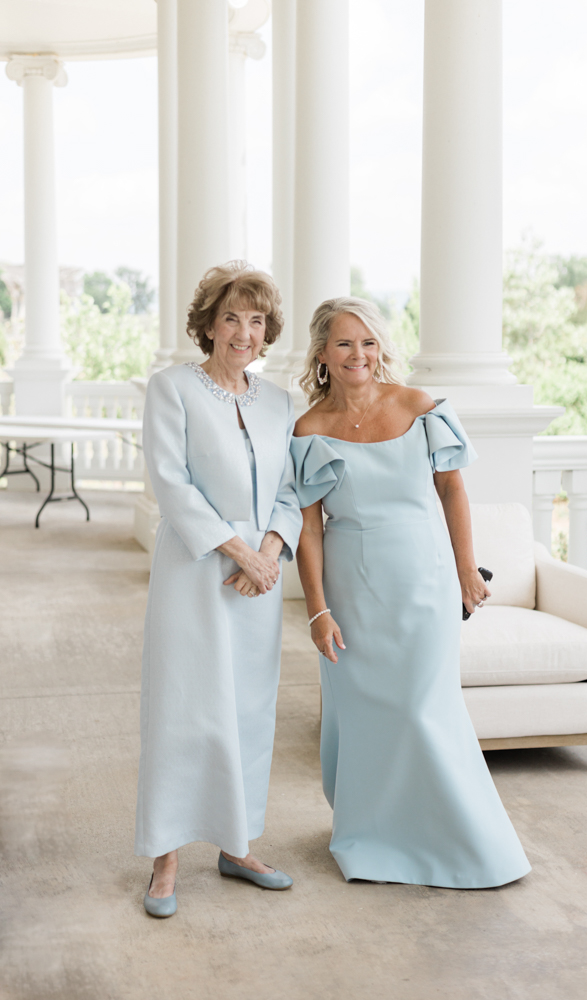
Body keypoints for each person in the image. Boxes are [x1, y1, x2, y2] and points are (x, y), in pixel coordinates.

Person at [290, 297, 531, 888]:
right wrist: (319, 610)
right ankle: (374, 837)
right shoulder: (310, 428)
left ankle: (465, 841)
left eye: (369, 342)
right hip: (351, 592)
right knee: (366, 716)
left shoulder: (419, 406)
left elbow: (452, 491)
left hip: (422, 583)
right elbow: (310, 530)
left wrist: (466, 570)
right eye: (345, 343)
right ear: (322, 353)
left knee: (426, 710)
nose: (359, 355)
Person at [135, 262, 302, 917]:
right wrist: (236, 548)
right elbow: (169, 481)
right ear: (207, 324)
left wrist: (267, 552)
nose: (243, 331)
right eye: (231, 316)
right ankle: (165, 858)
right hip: (194, 571)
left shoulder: (278, 402)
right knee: (183, 708)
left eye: (256, 320)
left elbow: (290, 490)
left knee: (247, 712)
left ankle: (237, 846)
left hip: (255, 583)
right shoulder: (172, 388)